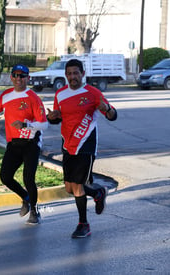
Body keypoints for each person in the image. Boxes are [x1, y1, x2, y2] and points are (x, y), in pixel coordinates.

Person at [47, 59, 117, 238]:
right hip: (67, 144)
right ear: (66, 75)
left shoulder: (93, 93)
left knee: (78, 186)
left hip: (86, 144)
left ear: (82, 74)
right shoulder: (60, 94)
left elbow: (112, 116)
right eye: (69, 74)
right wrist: (52, 117)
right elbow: (57, 118)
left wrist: (107, 108)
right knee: (70, 188)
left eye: (75, 73)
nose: (72, 77)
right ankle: (97, 192)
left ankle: (83, 224)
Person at [0, 64, 48, 225]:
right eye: (15, 75)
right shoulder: (6, 95)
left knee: (28, 178)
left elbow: (44, 124)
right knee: (5, 177)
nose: (18, 78)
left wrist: (26, 125)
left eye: (22, 75)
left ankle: (34, 211)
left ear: (28, 78)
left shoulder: (33, 97)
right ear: (11, 77)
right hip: (13, 143)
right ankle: (26, 197)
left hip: (31, 143)